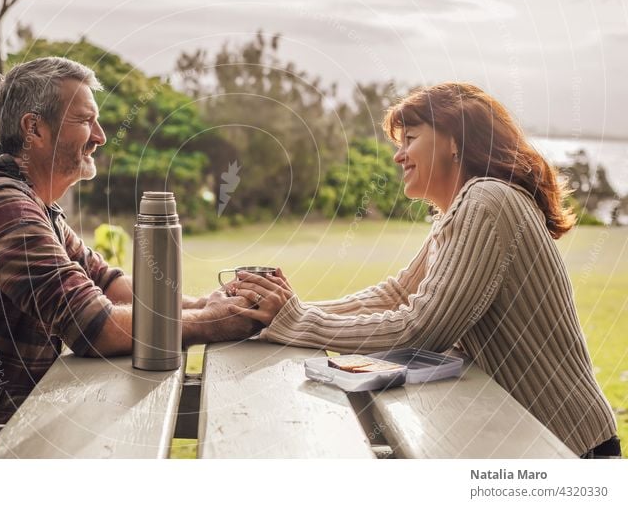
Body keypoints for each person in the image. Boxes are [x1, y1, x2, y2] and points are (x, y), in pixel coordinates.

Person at [0, 57, 253, 458]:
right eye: (86, 121)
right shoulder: (2, 206)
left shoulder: (32, 204)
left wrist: (202, 303)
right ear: (35, 128)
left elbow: (107, 282)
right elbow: (94, 326)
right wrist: (213, 322)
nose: (101, 136)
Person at [228, 82, 620, 459]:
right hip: (528, 439)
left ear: (453, 141)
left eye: (410, 139)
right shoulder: (465, 209)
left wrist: (298, 320)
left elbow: (422, 328)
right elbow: (397, 295)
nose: (399, 156)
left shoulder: (488, 200)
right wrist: (290, 311)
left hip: (566, 448)